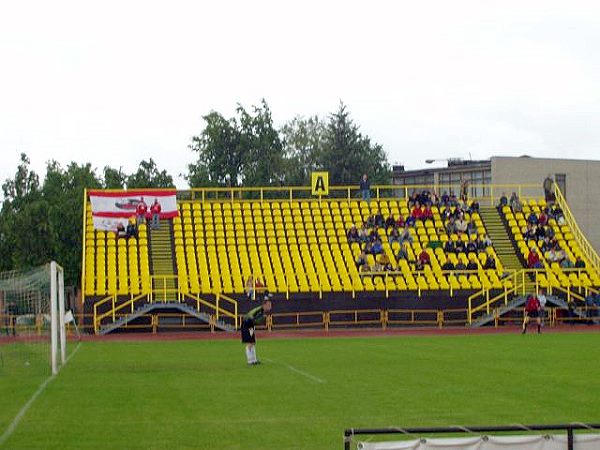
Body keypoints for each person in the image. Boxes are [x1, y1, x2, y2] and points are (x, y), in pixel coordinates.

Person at [241, 299, 272, 365]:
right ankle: (250, 361)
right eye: (268, 305)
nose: (270, 307)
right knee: (250, 342)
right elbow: (249, 316)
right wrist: (254, 321)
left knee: (253, 342)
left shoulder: (262, 311)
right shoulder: (259, 310)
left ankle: (254, 360)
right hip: (247, 325)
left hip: (250, 326)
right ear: (264, 305)